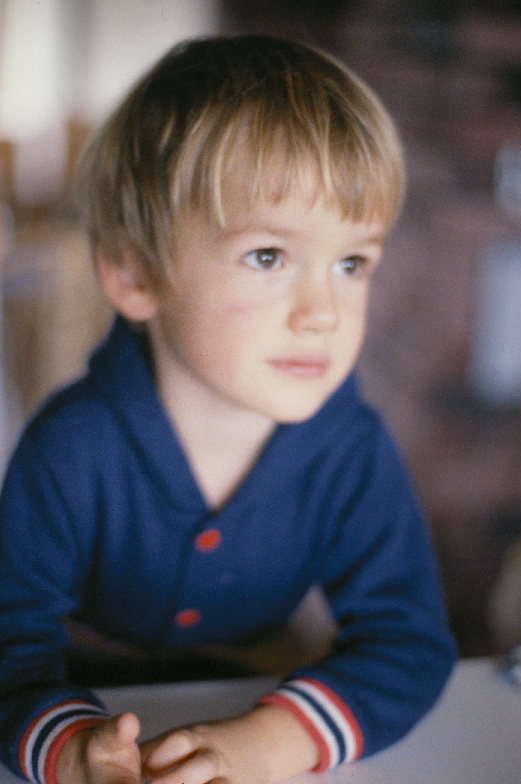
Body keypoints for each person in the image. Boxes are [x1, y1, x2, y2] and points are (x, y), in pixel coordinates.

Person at [0, 35, 456, 784]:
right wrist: (72, 749)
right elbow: (10, 646)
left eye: (352, 263)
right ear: (134, 273)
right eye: (268, 256)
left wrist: (272, 742)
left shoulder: (351, 449)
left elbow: (409, 641)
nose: (323, 313)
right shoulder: (70, 447)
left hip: (257, 689)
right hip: (80, 694)